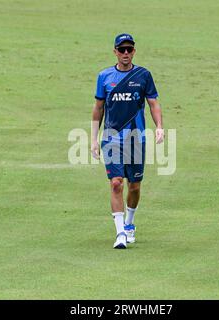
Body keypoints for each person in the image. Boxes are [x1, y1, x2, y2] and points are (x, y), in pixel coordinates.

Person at [91, 33, 164, 249]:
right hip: (112, 138)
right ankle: (120, 233)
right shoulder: (104, 77)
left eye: (129, 49)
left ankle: (130, 223)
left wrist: (159, 127)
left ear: (134, 51)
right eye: (121, 49)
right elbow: (98, 109)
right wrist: (94, 139)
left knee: (134, 186)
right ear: (114, 51)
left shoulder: (143, 75)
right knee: (116, 183)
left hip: (136, 139)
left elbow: (153, 103)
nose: (125, 53)